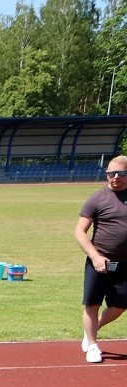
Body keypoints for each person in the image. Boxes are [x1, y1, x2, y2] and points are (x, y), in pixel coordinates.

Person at [75, 154, 127, 364]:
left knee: (121, 305)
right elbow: (80, 232)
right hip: (99, 262)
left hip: (125, 264)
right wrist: (95, 256)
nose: (115, 177)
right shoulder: (97, 199)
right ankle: (93, 345)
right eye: (111, 173)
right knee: (92, 303)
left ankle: (91, 330)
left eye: (121, 173)